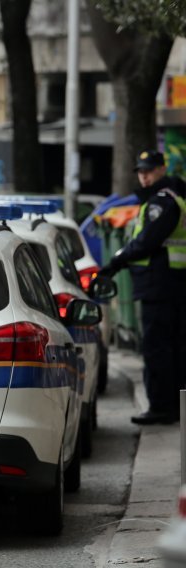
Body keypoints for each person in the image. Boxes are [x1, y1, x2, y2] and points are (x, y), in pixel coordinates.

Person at [98, 149, 186, 424]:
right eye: (140, 171)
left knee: (157, 348)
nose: (144, 176)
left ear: (161, 169)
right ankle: (173, 404)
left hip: (160, 285)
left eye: (149, 170)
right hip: (171, 284)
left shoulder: (162, 202)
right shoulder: (173, 198)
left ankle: (161, 406)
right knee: (173, 348)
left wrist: (116, 261)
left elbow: (146, 241)